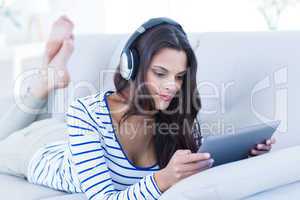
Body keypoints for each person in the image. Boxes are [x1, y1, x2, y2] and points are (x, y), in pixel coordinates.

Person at [0, 16, 276, 200]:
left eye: (179, 77)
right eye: (160, 73)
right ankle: (45, 80)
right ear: (130, 67)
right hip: (41, 152)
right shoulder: (85, 113)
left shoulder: (178, 114)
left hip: (77, 139)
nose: (172, 86)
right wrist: (162, 179)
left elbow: (198, 166)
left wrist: (244, 154)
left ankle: (50, 74)